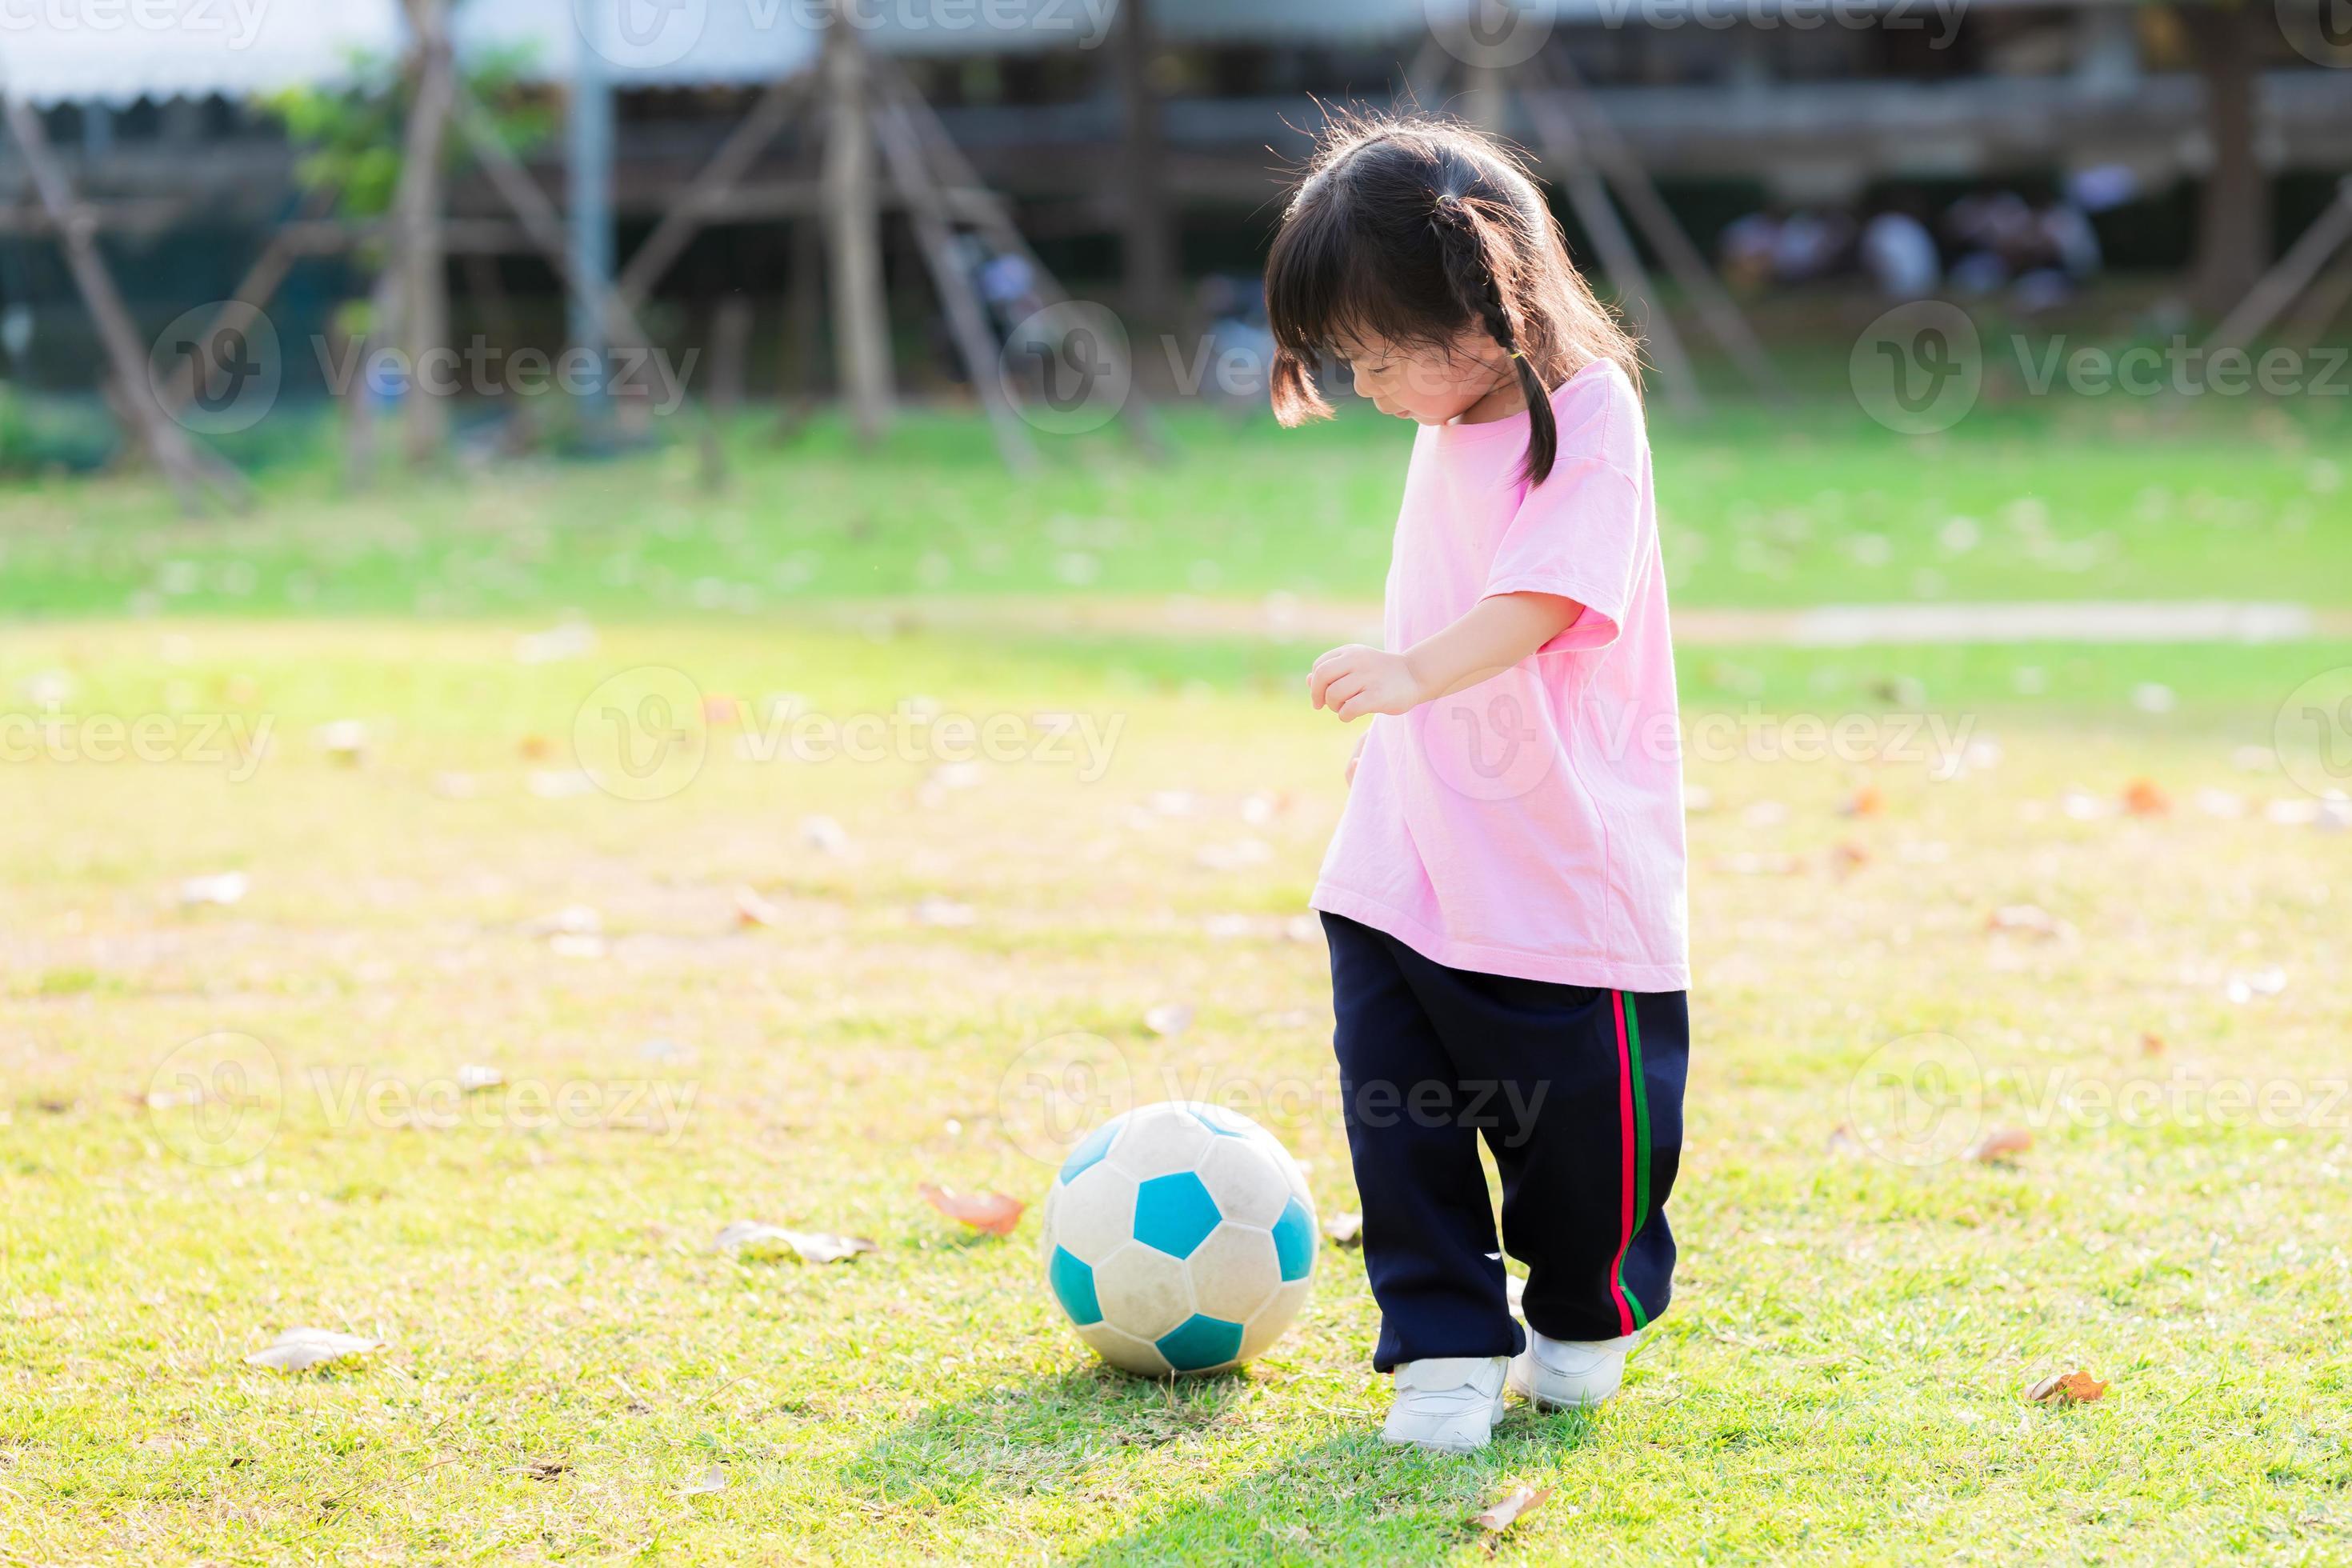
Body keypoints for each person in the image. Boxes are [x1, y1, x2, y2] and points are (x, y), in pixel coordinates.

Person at [1262, 113, 1690, 1454]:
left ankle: (1583, 1309)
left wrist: (1413, 674)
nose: (1367, 382)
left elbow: (1548, 596)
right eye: (1347, 355)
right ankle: (1442, 1347)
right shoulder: (1444, 420)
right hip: (1409, 848)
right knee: (1400, 1115)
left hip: (1560, 863)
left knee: (1583, 1144)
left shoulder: (1593, 417)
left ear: (1495, 316)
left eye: (1382, 354)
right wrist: (1405, 718)